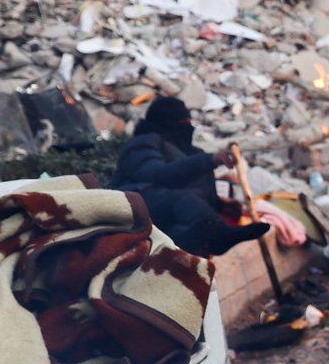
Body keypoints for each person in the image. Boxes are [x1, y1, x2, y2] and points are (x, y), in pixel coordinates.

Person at [112, 96, 269, 257]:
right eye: (182, 121)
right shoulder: (142, 144)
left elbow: (199, 191)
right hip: (136, 210)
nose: (186, 125)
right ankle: (216, 235)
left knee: (187, 231)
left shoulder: (192, 152)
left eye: (188, 120)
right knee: (182, 199)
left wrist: (220, 205)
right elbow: (158, 175)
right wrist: (209, 160)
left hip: (173, 221)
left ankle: (200, 239)